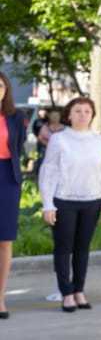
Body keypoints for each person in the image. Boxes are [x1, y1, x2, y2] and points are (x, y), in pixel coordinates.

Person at [38, 96, 101, 312]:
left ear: (92, 115)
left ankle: (79, 290)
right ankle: (67, 293)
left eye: (87, 111)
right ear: (69, 115)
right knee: (64, 248)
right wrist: (47, 204)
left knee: (82, 248)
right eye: (78, 111)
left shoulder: (98, 140)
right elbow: (49, 171)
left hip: (92, 200)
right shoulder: (59, 140)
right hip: (64, 200)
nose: (82, 115)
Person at [0, 72, 26, 320]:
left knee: (5, 240)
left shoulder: (16, 117)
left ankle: (1, 297)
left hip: (7, 177)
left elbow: (19, 146)